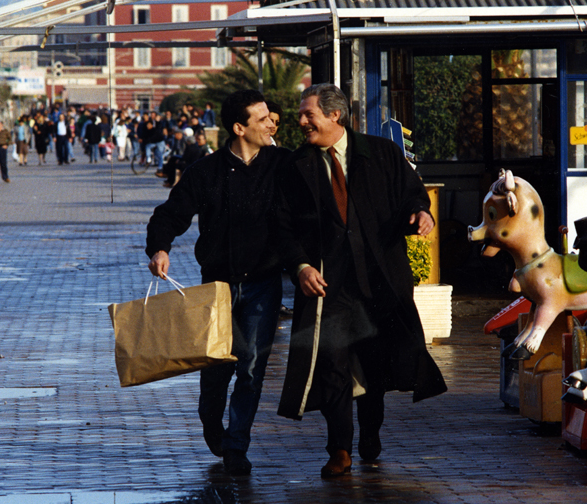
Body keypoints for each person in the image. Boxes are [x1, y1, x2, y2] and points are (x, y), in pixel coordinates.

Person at [275, 84, 447, 478]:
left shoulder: (382, 153)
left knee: (375, 366)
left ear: (335, 116)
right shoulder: (296, 165)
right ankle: (339, 450)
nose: (301, 122)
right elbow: (281, 226)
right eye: (301, 115)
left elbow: (412, 195)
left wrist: (422, 214)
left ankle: (370, 435)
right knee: (333, 365)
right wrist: (300, 266)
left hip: (381, 282)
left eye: (308, 115)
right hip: (328, 288)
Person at [145, 89, 289, 476]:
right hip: (217, 286)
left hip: (263, 282)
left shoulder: (283, 164)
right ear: (240, 128)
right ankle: (210, 416)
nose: (271, 123)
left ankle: (237, 444)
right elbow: (169, 214)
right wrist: (159, 249)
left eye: (271, 116)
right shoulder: (205, 172)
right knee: (217, 365)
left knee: (252, 364)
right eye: (262, 119)